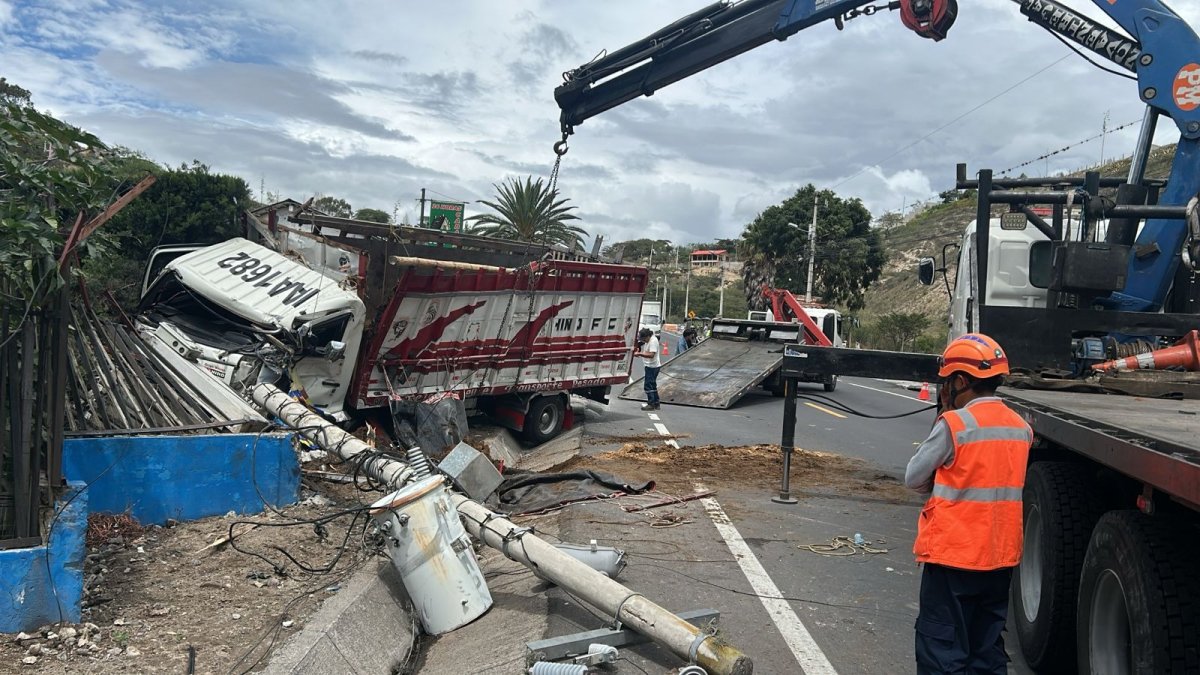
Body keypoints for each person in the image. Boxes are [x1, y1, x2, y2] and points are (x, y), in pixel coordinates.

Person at [904, 333, 1033, 675]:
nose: (945, 389)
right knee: (986, 650)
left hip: (954, 558)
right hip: (1000, 557)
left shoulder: (955, 424)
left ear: (961, 381)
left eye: (947, 382)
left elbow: (914, 477)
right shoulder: (1021, 427)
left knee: (942, 650)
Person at [634, 327, 661, 411]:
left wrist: (640, 354)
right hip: (651, 366)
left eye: (644, 339)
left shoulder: (653, 341)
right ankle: (656, 403)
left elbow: (651, 355)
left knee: (648, 385)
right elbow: (641, 343)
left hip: (652, 366)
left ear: (647, 336)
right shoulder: (650, 339)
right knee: (652, 385)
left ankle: (651, 403)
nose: (643, 341)